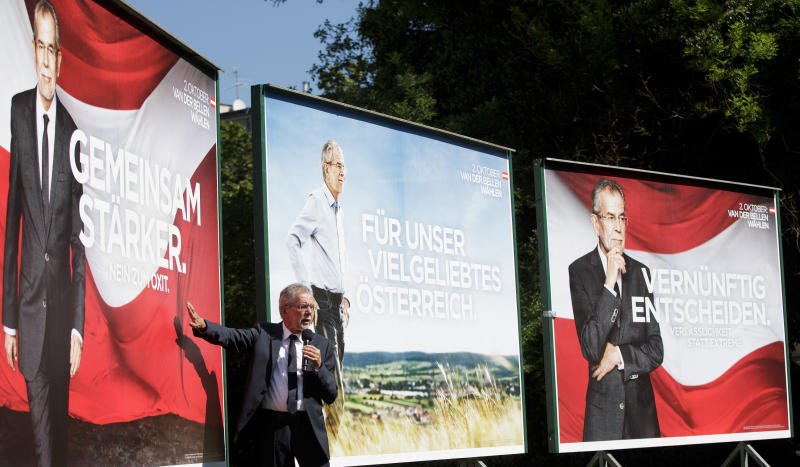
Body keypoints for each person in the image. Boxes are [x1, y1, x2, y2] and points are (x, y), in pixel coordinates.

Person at [3, 2, 85, 465]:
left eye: (54, 50)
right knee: (43, 446)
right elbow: (13, 219)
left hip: (62, 323)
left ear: (60, 59)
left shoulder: (73, 132)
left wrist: (77, 326)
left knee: (59, 438)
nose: (47, 59)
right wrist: (9, 320)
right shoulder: (18, 110)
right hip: (30, 314)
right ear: (34, 51)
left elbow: (79, 241)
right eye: (41, 46)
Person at [186, 283, 337, 467]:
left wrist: (319, 367)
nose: (309, 312)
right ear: (284, 310)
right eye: (303, 306)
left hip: (308, 426)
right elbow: (234, 337)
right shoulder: (264, 334)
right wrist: (205, 327)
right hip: (275, 427)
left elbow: (331, 394)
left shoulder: (322, 345)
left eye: (311, 307)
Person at [568, 178, 663, 441]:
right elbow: (590, 347)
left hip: (642, 418)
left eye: (622, 218)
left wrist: (618, 355)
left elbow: (656, 349)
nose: (618, 227)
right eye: (610, 217)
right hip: (603, 418)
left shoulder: (641, 273)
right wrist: (609, 284)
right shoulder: (579, 271)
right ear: (595, 222)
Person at [286, 140, 349, 434]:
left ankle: (327, 429)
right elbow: (293, 240)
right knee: (331, 369)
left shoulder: (338, 210)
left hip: (336, 302)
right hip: (321, 299)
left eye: (344, 166)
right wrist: (306, 292)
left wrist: (346, 297)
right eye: (337, 165)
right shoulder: (317, 201)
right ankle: (332, 433)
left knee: (335, 364)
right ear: (325, 169)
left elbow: (338, 258)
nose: (342, 172)